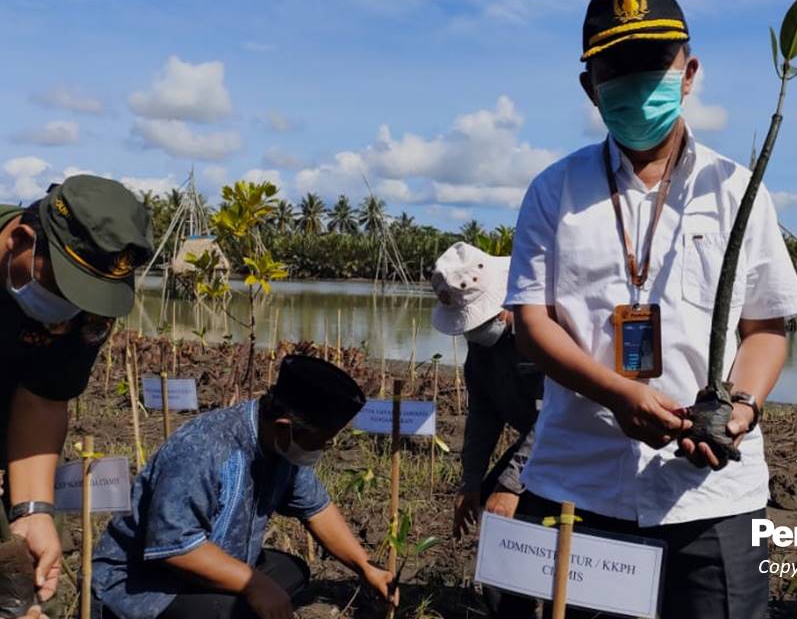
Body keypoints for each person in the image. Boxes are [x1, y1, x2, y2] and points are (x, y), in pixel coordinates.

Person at [506, 0, 797, 618]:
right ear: (590, 87)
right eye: (615, 68)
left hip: (714, 498)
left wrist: (741, 410)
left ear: (689, 71)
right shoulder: (552, 191)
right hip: (579, 488)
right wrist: (616, 393)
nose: (637, 83)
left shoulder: (737, 190)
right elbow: (532, 322)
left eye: (654, 63)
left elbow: (765, 329)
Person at [90, 354, 397, 619]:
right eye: (320, 442)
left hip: (220, 566)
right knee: (238, 611)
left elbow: (317, 509)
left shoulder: (282, 446)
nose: (324, 449)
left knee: (293, 571)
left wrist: (364, 566)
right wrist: (256, 585)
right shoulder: (203, 448)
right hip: (146, 582)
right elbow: (176, 548)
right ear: (283, 427)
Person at [0, 176, 153, 619]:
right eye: (64, 291)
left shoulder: (91, 308)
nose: (74, 308)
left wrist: (32, 511)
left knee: (34, 585)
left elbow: (43, 399)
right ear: (22, 240)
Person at [430, 242, 543, 540]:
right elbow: (483, 413)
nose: (475, 332)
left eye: (482, 321)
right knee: (491, 512)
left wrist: (511, 485)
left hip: (576, 443)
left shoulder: (547, 332)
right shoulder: (482, 348)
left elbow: (559, 417)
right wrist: (471, 482)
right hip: (539, 441)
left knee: (516, 517)